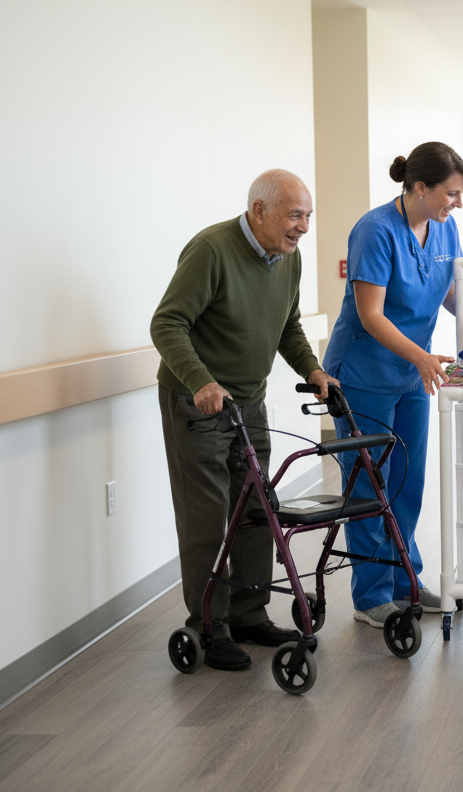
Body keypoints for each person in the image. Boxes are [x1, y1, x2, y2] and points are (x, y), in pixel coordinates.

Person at [151, 169, 336, 671]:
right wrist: (200, 381)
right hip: (197, 402)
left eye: (307, 217)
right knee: (208, 517)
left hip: (247, 402)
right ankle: (208, 625)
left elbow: (288, 326)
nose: (302, 227)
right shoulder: (211, 249)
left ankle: (249, 614)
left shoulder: (287, 260)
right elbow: (167, 322)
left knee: (256, 507)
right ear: (259, 210)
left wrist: (313, 369)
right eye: (294, 215)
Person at [322, 142, 463, 628]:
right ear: (419, 188)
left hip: (413, 371)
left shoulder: (444, 228)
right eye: (451, 194)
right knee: (371, 482)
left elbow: (452, 294)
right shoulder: (374, 231)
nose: (457, 204)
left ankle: (405, 579)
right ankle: (372, 596)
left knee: (408, 479)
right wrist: (422, 357)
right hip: (365, 373)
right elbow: (370, 316)